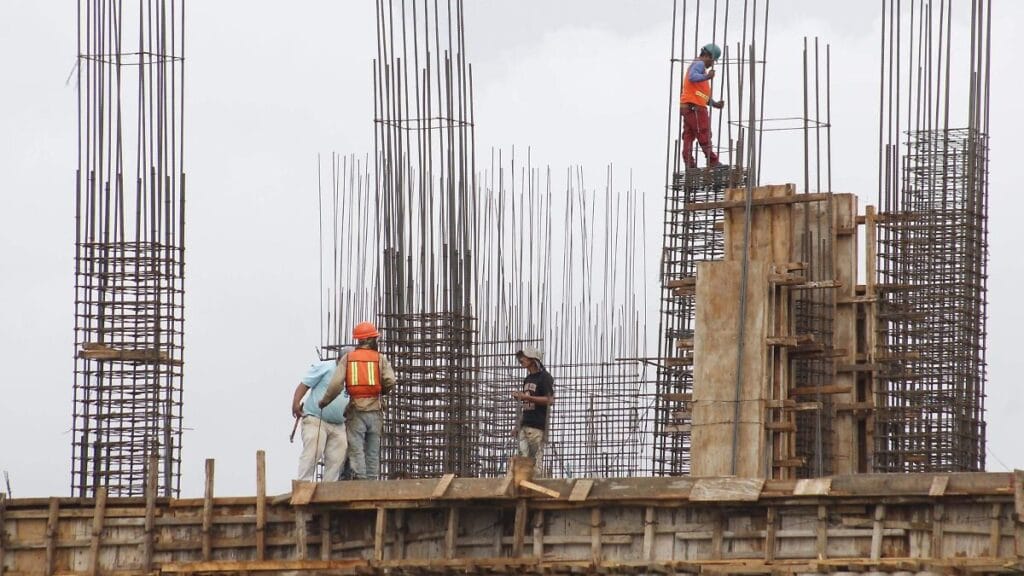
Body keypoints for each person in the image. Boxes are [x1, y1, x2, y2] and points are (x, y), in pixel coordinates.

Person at [320, 321, 396, 480]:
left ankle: (361, 480)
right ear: (370, 339)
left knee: (356, 448)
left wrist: (324, 402)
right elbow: (390, 381)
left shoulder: (348, 358)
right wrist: (380, 391)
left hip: (356, 410)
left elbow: (336, 385)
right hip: (375, 410)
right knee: (373, 449)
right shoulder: (380, 358)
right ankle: (371, 480)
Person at [292, 355, 350, 482]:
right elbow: (305, 384)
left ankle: (328, 490)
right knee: (313, 449)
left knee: (337, 458)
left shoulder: (353, 373)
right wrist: (296, 402)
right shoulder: (326, 367)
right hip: (316, 419)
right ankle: (303, 484)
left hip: (339, 424)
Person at [680, 43, 726, 169]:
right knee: (703, 133)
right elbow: (693, 77)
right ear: (707, 56)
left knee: (688, 136)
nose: (711, 64)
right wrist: (707, 76)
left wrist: (714, 104)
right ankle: (713, 161)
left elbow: (700, 94)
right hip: (695, 108)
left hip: (688, 107)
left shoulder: (697, 66)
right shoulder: (699, 64)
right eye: (712, 61)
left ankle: (690, 164)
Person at [512, 346, 554, 475]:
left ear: (533, 360)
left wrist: (527, 397)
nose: (522, 360)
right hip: (525, 425)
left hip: (537, 427)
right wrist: (517, 425)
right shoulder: (527, 379)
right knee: (522, 460)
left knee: (535, 462)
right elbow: (524, 405)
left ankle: (535, 489)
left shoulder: (544, 377)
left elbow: (550, 400)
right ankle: (524, 489)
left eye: (525, 357)